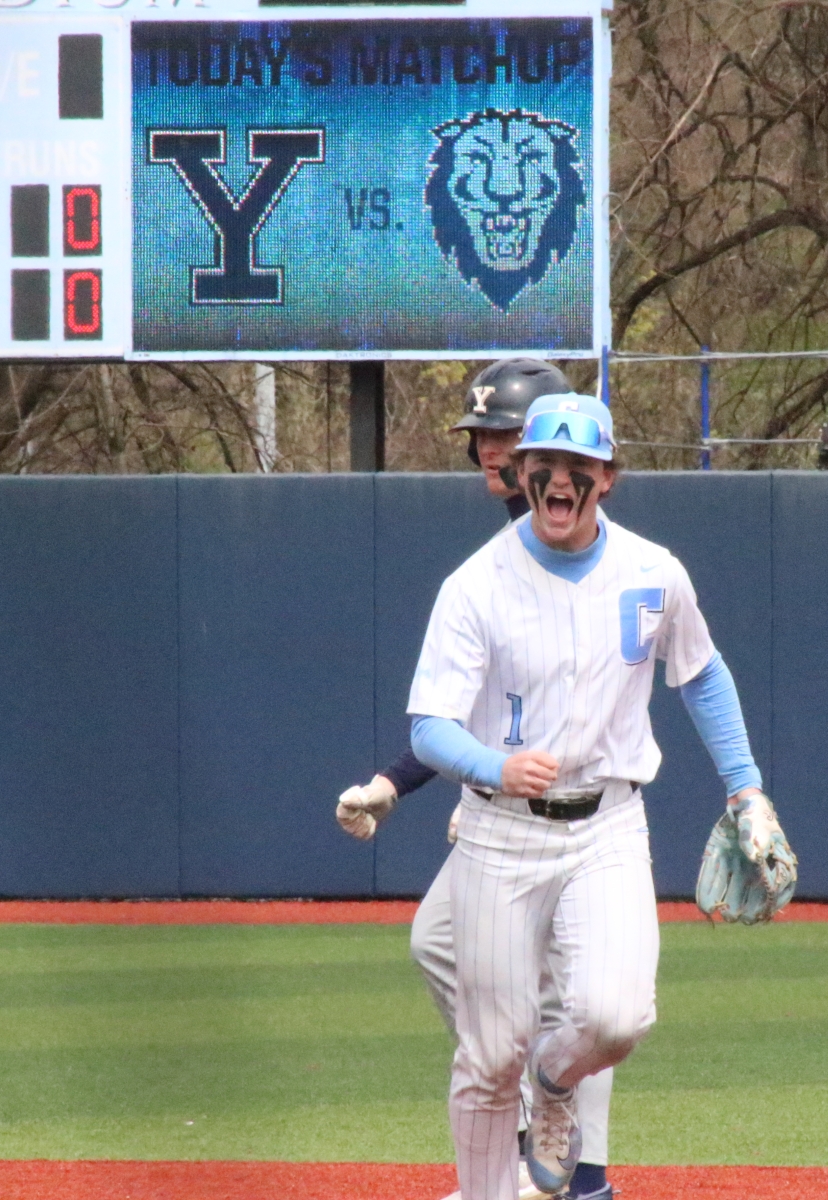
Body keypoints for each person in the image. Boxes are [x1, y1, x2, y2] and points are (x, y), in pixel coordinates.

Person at [406, 393, 787, 1200]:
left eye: (579, 465)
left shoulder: (653, 572)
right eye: (544, 463)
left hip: (608, 825)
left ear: (607, 477)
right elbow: (429, 727)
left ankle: (554, 1083)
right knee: (489, 1057)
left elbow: (702, 674)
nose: (560, 478)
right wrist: (492, 766)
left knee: (617, 1018)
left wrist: (746, 787)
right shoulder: (475, 586)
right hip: (499, 836)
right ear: (521, 472)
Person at [333, 360, 620, 1200]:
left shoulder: (571, 545)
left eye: (502, 432)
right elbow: (461, 713)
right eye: (480, 435)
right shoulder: (504, 554)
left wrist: (502, 785)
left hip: (572, 814)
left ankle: (580, 1177)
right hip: (505, 805)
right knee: (440, 943)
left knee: (574, 995)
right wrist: (396, 783)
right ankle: (534, 1143)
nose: (488, 448)